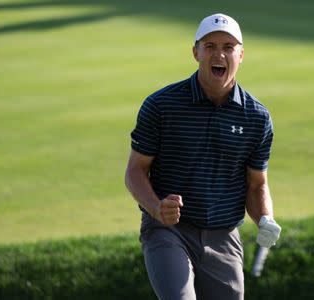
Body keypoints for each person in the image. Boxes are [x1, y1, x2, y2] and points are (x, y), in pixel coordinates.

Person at [125, 13, 281, 300]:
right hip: (168, 230)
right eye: (209, 46)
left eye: (228, 46)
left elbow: (256, 185)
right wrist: (157, 207)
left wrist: (265, 219)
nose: (219, 53)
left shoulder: (257, 117)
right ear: (195, 52)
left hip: (223, 235)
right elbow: (135, 171)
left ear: (241, 54)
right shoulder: (161, 105)